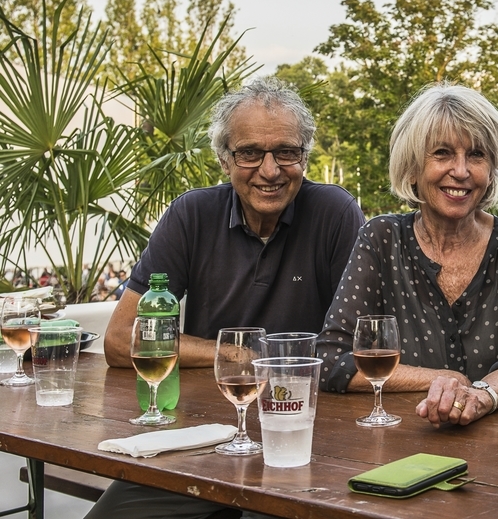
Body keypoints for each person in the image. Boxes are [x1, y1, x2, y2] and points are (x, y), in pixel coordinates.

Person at [88, 76, 364, 519]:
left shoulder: (335, 212)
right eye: (250, 153)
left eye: (286, 152)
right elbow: (121, 340)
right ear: (224, 159)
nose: (270, 170)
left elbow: (359, 344)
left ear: (304, 158)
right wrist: (234, 354)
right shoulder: (190, 214)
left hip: (305, 435)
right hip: (199, 438)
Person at [318, 82, 498, 427]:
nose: (460, 171)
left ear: (491, 170)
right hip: (399, 438)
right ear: (412, 167)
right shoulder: (382, 238)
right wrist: (441, 379)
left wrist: (480, 396)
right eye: (442, 153)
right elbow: (331, 359)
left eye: (476, 155)